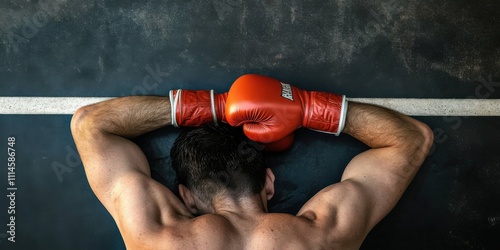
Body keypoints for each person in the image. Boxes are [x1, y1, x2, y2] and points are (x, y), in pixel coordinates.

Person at [71, 74, 433, 249]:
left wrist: (216, 105)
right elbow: (412, 140)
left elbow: (90, 124)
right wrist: (308, 108)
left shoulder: (154, 237)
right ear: (270, 182)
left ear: (186, 196)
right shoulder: (321, 237)